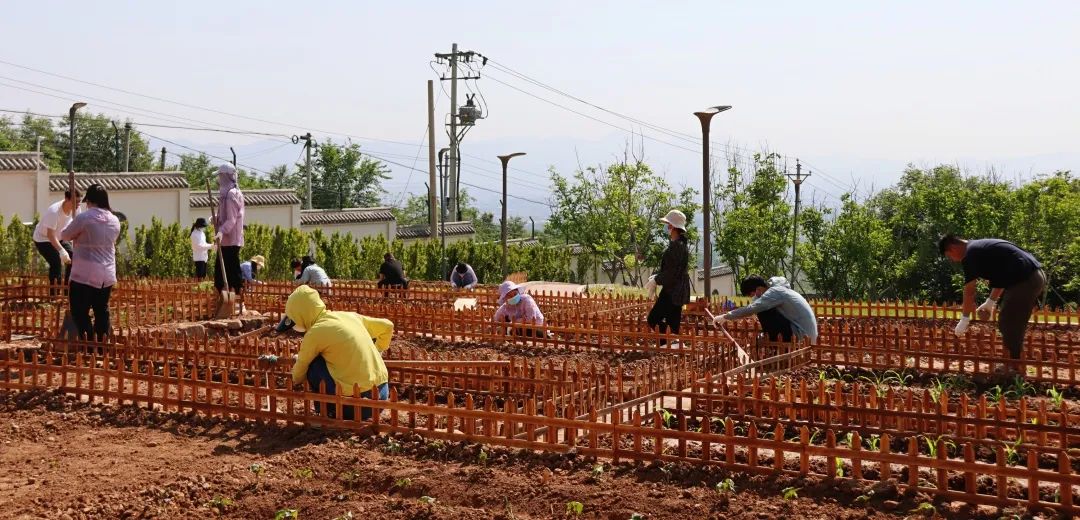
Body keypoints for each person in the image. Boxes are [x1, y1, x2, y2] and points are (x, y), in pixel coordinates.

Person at [938, 234, 1046, 374]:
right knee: (1010, 320)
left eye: (949, 256)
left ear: (952, 248)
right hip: (1033, 276)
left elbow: (969, 291)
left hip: (1025, 280)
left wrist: (965, 319)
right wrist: (990, 302)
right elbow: (1002, 277)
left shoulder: (970, 255)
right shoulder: (979, 248)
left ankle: (1015, 366)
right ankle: (1014, 362)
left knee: (1008, 322)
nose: (953, 260)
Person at [284, 285, 393, 420]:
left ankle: (326, 413)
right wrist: (378, 350)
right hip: (382, 395)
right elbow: (388, 326)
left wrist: (294, 376)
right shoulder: (349, 316)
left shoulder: (315, 332)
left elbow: (299, 374)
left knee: (313, 364)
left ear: (301, 315)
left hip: (355, 407)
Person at [60, 184, 121, 342]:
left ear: (90, 201)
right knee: (101, 309)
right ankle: (101, 343)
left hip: (84, 274)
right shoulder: (115, 220)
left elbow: (65, 235)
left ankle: (88, 341)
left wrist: (74, 225)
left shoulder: (84, 218)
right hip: (107, 273)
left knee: (79, 311)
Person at [714, 275, 819, 345]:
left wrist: (725, 316)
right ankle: (771, 338)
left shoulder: (774, 292)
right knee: (761, 307)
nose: (753, 297)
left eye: (752, 295)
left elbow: (753, 308)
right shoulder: (779, 290)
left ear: (758, 289)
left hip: (801, 335)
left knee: (762, 310)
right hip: (806, 334)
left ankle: (773, 341)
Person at [645, 210, 692, 338]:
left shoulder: (676, 247)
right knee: (673, 322)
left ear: (672, 226)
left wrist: (656, 280)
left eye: (668, 224)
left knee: (653, 319)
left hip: (672, 291)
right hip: (679, 290)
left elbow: (671, 273)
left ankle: (667, 342)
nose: (667, 227)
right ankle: (671, 347)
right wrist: (657, 277)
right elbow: (673, 270)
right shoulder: (682, 245)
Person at [33, 189, 80, 291]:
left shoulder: (77, 209)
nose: (78, 205)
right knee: (56, 261)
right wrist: (61, 251)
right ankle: (55, 293)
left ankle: (68, 289)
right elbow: (50, 235)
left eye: (79, 201)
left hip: (60, 237)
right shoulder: (54, 211)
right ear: (67, 199)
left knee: (73, 257)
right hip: (43, 239)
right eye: (75, 201)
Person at [213, 163, 245, 307]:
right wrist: (215, 218)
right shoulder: (225, 193)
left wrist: (221, 231)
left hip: (231, 239)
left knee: (232, 271)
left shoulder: (232, 194)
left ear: (225, 176)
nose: (219, 179)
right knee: (220, 270)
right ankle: (222, 299)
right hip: (226, 239)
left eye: (220, 176)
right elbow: (224, 215)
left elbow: (232, 219)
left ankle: (237, 301)